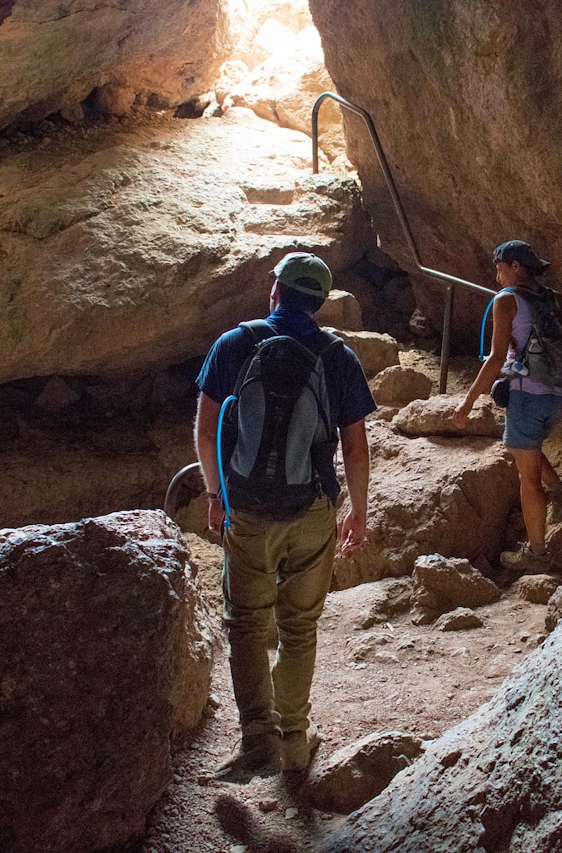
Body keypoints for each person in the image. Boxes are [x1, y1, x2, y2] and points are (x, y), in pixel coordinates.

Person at [195, 251, 375, 780]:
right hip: (311, 509)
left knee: (247, 623)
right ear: (318, 303)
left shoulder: (234, 343)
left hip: (247, 508)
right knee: (299, 626)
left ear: (275, 291)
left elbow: (207, 431)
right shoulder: (336, 355)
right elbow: (356, 446)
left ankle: (256, 741)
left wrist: (215, 495)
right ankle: (295, 739)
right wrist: (358, 512)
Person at [451, 240, 562, 572]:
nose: (497, 277)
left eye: (499, 268)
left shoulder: (506, 301)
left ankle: (536, 555)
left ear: (515, 266)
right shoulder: (555, 298)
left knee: (527, 476)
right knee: (528, 444)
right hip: (560, 398)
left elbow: (495, 359)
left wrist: (467, 403)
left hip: (528, 397)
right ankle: (560, 489)